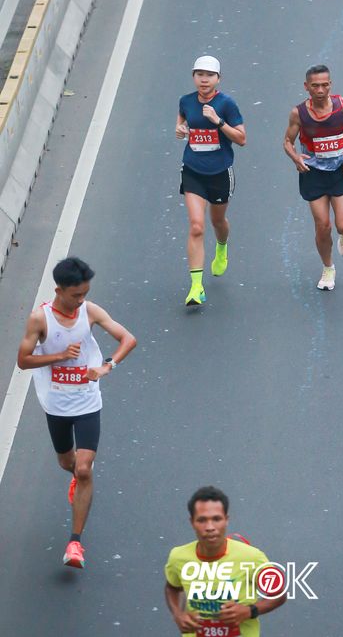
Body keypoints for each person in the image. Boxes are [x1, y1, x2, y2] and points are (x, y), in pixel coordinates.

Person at [17, 257, 136, 569]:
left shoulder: (90, 311)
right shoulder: (40, 319)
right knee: (67, 463)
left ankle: (75, 544)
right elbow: (23, 361)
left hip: (87, 402)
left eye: (85, 293)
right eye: (76, 295)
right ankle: (78, 478)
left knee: (84, 469)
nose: (81, 300)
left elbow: (128, 339)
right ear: (59, 291)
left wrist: (107, 366)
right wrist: (58, 356)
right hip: (55, 404)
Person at [164, 486, 286, 636]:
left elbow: (279, 595)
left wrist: (249, 611)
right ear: (192, 522)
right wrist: (178, 614)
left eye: (216, 519)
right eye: (202, 520)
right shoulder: (178, 556)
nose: (210, 527)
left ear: (226, 520)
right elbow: (172, 587)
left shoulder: (251, 557)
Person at [283, 64, 343, 291]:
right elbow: (287, 141)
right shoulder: (298, 113)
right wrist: (295, 158)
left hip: (341, 171)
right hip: (313, 174)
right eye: (315, 86)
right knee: (323, 226)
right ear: (306, 86)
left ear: (331, 85)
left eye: (324, 85)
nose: (320, 90)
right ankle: (328, 268)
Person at [176, 56, 246, 306]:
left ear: (218, 79)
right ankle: (196, 287)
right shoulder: (186, 101)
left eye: (209, 75)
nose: (204, 80)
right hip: (193, 170)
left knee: (217, 221)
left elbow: (241, 139)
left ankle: (222, 246)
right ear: (193, 77)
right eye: (199, 75)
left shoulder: (226, 104)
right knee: (196, 226)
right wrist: (180, 130)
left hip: (220, 173)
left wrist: (219, 121)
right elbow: (181, 123)